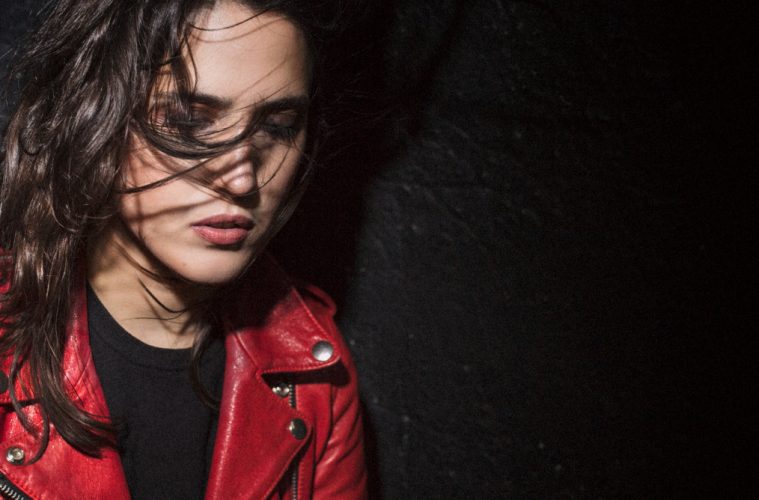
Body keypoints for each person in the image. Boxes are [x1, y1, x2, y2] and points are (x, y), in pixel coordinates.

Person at [0, 0, 367, 498]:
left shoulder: (315, 374)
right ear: (94, 115)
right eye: (188, 121)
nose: (241, 179)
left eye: (276, 127)